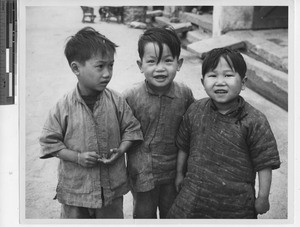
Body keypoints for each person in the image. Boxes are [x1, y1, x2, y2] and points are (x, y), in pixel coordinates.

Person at [39, 27, 143, 219]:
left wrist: (121, 150)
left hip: (111, 190)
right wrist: (77, 157)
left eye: (110, 66)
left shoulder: (116, 101)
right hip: (76, 191)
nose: (107, 73)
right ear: (76, 68)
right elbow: (49, 142)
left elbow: (132, 128)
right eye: (100, 66)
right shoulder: (63, 107)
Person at [167, 47, 281, 219]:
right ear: (202, 81)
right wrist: (179, 174)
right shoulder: (196, 110)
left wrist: (263, 197)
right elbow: (183, 145)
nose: (220, 82)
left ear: (243, 82)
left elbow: (264, 163)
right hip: (194, 195)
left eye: (228, 75)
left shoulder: (254, 120)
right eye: (212, 75)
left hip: (236, 203)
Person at [123, 26, 195, 219]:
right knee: (143, 215)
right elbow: (119, 135)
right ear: (140, 65)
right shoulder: (130, 97)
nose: (160, 68)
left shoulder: (184, 94)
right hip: (142, 173)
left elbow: (192, 132)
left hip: (174, 172)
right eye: (152, 61)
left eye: (168, 61)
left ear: (179, 63)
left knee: (172, 215)